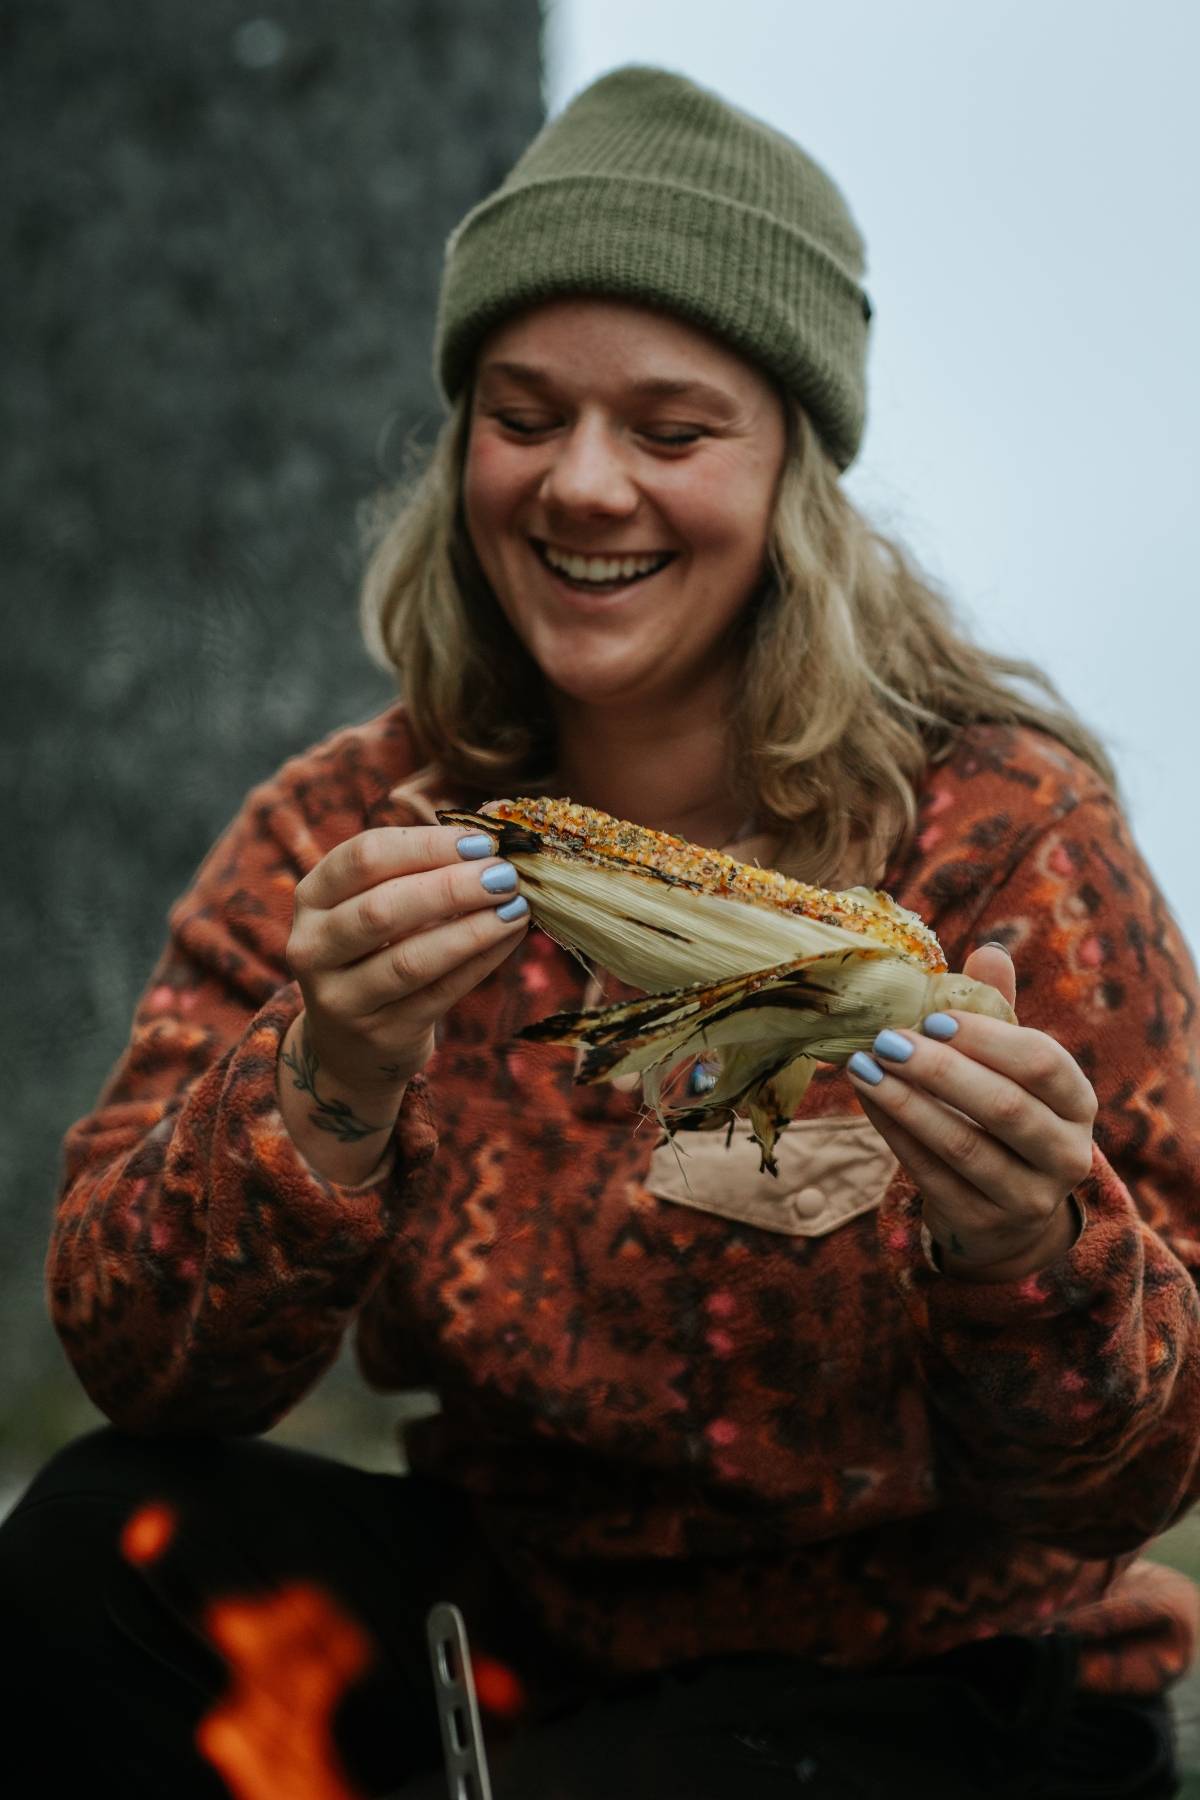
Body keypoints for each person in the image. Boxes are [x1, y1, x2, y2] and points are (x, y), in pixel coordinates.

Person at [3, 64, 1198, 1800]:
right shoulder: (358, 830)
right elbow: (138, 1359)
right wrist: (326, 1083)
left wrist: (1028, 1248)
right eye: (522, 410)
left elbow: (1129, 1471)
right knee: (95, 1550)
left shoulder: (1002, 837)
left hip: (941, 1680)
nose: (580, 485)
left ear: (792, 464)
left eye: (670, 427)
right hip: (527, 1631)